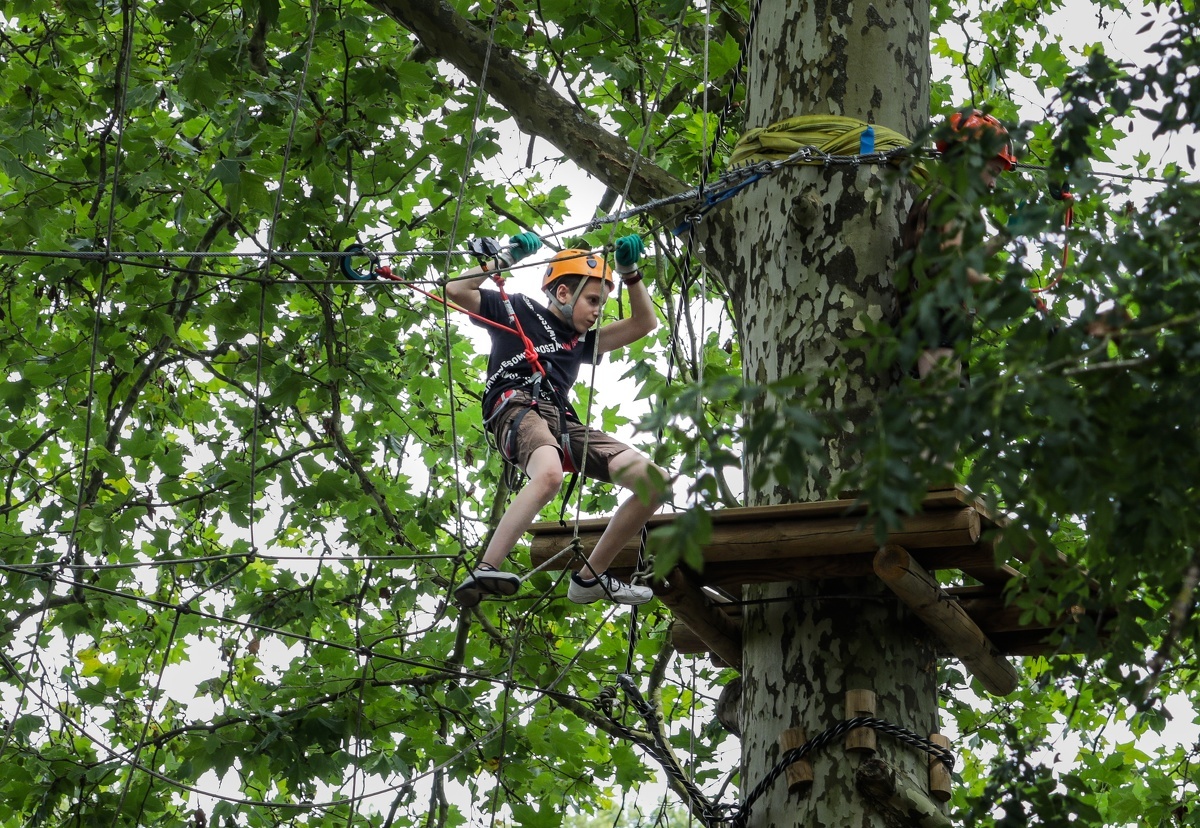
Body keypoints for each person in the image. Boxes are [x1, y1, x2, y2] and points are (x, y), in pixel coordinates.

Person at [446, 231, 666, 608]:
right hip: (515, 404)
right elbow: (455, 290)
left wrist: (631, 274)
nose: (598, 310)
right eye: (594, 300)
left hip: (563, 421)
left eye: (603, 303)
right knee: (548, 474)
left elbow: (644, 323)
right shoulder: (517, 309)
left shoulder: (581, 342)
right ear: (563, 293)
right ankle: (486, 567)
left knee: (654, 483)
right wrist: (506, 258)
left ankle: (589, 578)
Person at [899, 109, 1017, 380]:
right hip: (938, 316)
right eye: (993, 172)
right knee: (941, 406)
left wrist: (1004, 238)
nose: (992, 184)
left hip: (930, 313)